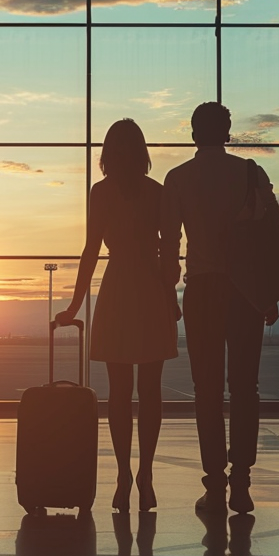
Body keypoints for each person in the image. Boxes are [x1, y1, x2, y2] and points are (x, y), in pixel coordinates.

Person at [160, 102, 279, 514]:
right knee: (246, 388)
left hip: (203, 290)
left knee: (207, 391)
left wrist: (167, 294)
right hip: (245, 291)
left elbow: (170, 247)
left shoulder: (177, 179)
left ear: (194, 134)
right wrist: (268, 295)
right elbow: (269, 238)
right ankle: (242, 483)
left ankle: (214, 484)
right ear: (228, 134)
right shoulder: (251, 173)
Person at [57, 118, 179, 513]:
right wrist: (171, 297)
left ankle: (125, 474)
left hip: (118, 288)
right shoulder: (157, 193)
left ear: (107, 154)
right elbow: (168, 256)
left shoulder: (101, 193)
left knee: (120, 392)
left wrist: (76, 305)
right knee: (151, 391)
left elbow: (91, 250)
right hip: (149, 288)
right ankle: (144, 473)